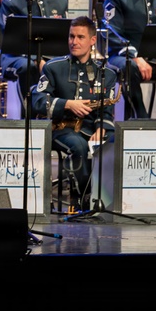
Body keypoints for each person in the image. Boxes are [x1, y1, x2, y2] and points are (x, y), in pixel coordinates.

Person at [31, 17, 118, 210]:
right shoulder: (53, 67)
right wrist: (67, 104)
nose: (74, 41)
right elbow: (37, 101)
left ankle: (108, 200)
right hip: (61, 128)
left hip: (90, 127)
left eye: (80, 37)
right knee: (78, 146)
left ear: (93, 40)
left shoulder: (107, 74)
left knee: (113, 141)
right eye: (71, 36)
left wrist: (102, 126)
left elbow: (107, 109)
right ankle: (81, 197)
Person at [0, 0, 69, 98]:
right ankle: (31, 113)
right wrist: (38, 60)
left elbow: (63, 36)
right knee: (29, 67)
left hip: (51, 56)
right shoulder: (11, 1)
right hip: (16, 58)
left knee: (68, 65)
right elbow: (14, 41)